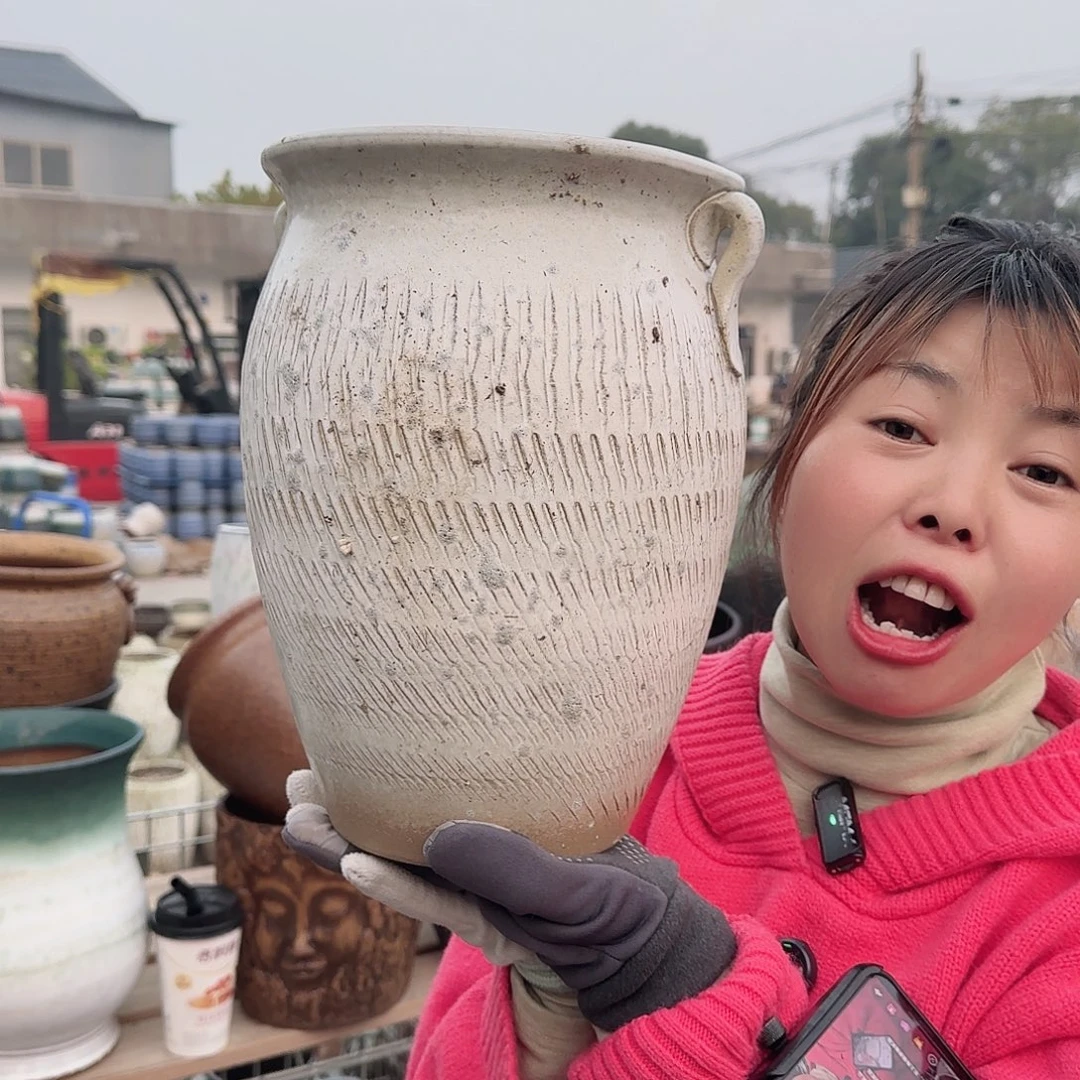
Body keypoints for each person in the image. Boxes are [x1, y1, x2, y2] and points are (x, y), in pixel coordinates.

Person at [282, 215, 1080, 1080]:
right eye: (902, 426)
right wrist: (548, 1002)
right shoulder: (608, 750)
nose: (953, 505)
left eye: (1045, 471)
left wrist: (682, 986)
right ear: (789, 450)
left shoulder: (1060, 911)